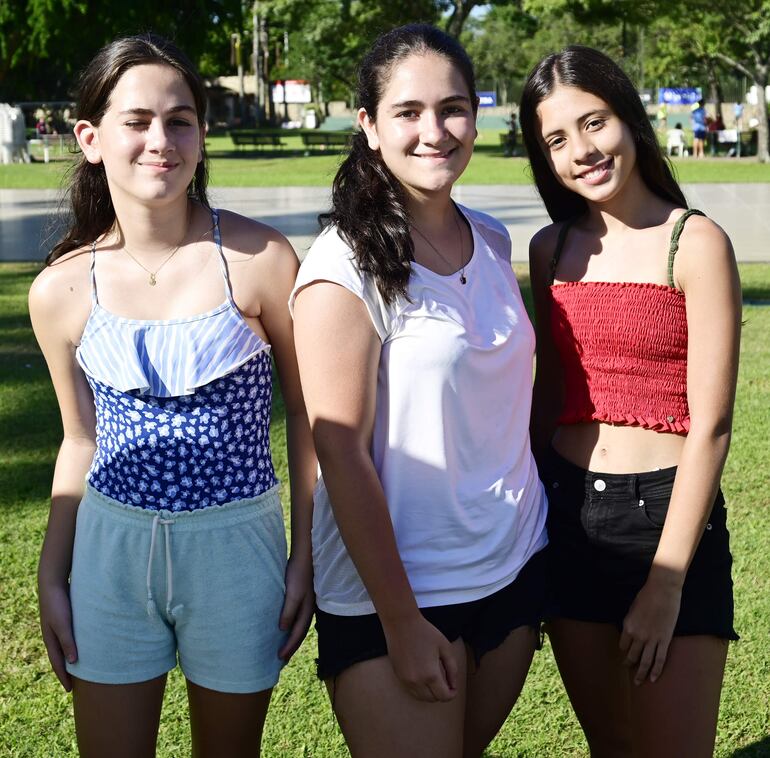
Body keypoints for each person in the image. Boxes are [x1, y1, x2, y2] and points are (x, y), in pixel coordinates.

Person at [28, 34, 316, 757]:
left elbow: (309, 420)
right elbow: (78, 440)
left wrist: (306, 551)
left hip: (237, 549)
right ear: (91, 139)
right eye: (138, 121)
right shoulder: (60, 289)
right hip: (109, 554)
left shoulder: (261, 261)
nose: (161, 139)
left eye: (180, 119)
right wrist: (51, 574)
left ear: (201, 135)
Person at [291, 24, 548, 758]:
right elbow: (337, 449)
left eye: (454, 108)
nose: (434, 131)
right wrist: (400, 620)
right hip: (396, 594)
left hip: (513, 565)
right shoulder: (344, 264)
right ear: (368, 126)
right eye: (407, 112)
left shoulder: (493, 239)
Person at [519, 46, 740, 757]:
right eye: (556, 139)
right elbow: (548, 395)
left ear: (629, 119)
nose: (581, 150)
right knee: (609, 745)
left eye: (594, 122)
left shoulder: (695, 241)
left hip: (667, 520)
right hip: (568, 512)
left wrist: (667, 582)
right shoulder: (550, 248)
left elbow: (710, 427)